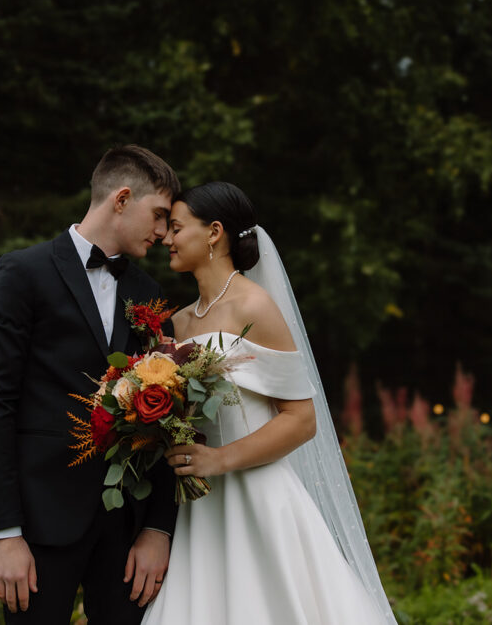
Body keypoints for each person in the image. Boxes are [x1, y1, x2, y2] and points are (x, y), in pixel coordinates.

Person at [143, 182, 397, 624]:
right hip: (199, 507)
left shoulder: (255, 306)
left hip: (257, 497)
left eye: (178, 227)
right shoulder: (178, 322)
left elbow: (301, 420)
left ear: (214, 232)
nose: (167, 237)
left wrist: (219, 459)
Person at [0, 145, 181, 623]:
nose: (164, 233)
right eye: (160, 215)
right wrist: (4, 533)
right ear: (122, 199)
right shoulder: (23, 273)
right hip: (40, 525)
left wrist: (158, 530)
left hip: (127, 531)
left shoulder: (147, 292)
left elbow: (170, 413)